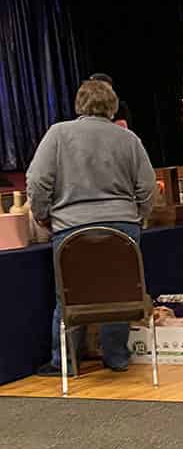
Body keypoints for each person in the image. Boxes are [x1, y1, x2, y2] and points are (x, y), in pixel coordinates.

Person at [26, 78, 156, 376]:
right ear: (112, 107)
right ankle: (117, 358)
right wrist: (139, 215)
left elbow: (37, 180)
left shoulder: (58, 134)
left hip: (70, 227)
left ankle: (65, 363)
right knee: (120, 291)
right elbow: (148, 186)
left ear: (79, 104)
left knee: (69, 293)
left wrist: (43, 215)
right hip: (123, 226)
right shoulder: (129, 139)